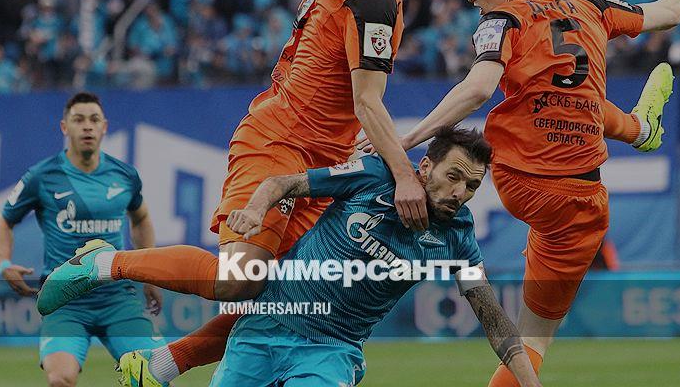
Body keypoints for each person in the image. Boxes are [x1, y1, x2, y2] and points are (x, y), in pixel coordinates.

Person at [37, 0, 441, 385]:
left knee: (288, 296)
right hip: (281, 139)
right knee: (239, 278)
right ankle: (103, 263)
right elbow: (368, 102)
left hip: (319, 157)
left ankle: (162, 364)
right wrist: (405, 174)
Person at [362, 0, 680, 386]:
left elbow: (478, 88)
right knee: (533, 341)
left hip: (517, 177)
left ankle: (640, 129)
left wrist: (406, 139)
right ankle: (640, 128)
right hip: (579, 205)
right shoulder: (592, 8)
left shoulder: (502, 19)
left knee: (550, 100)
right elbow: (669, 12)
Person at [194, 126, 541, 386]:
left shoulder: (458, 236)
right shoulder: (374, 176)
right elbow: (280, 184)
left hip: (331, 351)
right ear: (425, 167)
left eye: (472, 186)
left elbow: (493, 318)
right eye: (453, 176)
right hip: (267, 325)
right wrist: (255, 211)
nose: (459, 192)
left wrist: (530, 383)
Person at [0, 92, 163, 387]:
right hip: (64, 301)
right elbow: (4, 222)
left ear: (104, 127)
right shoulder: (42, 176)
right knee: (60, 379)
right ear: (64, 127)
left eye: (94, 120)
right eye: (78, 119)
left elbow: (142, 218)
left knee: (155, 377)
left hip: (117, 297)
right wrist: (4, 263)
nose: (87, 126)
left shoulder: (124, 175)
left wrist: (150, 273)